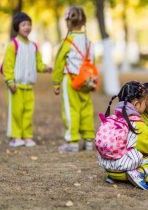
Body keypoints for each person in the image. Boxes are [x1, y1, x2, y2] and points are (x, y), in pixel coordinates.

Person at [97, 81, 148, 190]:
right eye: (144, 103)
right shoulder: (137, 123)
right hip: (123, 170)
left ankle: (114, 177)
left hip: (109, 168)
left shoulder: (114, 119)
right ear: (137, 105)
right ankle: (138, 173)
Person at [2, 11, 52, 147]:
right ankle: (15, 136)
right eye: (24, 24)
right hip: (16, 87)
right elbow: (7, 66)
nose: (27, 27)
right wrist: (10, 81)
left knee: (28, 113)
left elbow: (38, 64)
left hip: (29, 87)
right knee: (16, 113)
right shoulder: (13, 45)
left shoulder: (33, 46)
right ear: (17, 27)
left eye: (29, 24)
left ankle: (27, 136)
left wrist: (45, 68)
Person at [52, 6, 95, 152]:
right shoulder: (89, 42)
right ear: (84, 21)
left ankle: (73, 142)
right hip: (86, 81)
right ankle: (89, 140)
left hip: (70, 80)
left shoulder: (68, 41)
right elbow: (92, 62)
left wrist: (56, 82)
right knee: (86, 109)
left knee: (71, 110)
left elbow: (59, 63)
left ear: (68, 22)